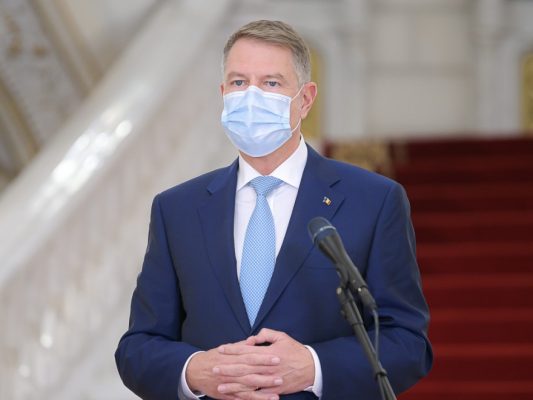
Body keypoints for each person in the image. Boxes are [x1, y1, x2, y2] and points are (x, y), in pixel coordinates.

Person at [115, 20, 432, 400]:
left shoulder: (374, 200)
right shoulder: (177, 209)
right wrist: (195, 371)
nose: (251, 96)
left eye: (271, 83)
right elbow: (137, 347)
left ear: (306, 99)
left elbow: (407, 343)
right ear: (223, 94)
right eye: (238, 82)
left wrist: (313, 366)